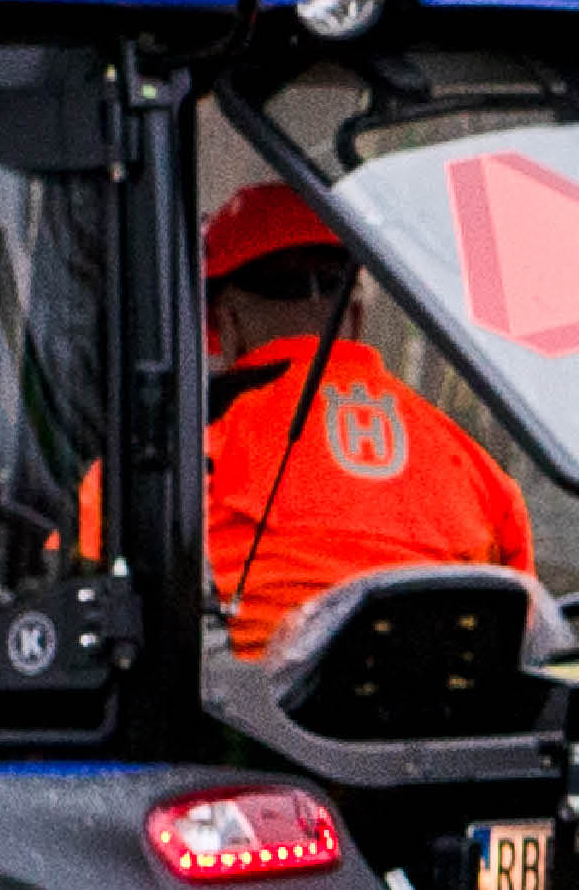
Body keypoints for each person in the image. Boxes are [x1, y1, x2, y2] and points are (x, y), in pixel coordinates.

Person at [100, 179, 534, 655]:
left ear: (225, 323)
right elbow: (523, 630)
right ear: (356, 317)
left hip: (236, 723)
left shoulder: (181, 437)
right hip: (434, 719)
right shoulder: (474, 465)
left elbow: (76, 563)